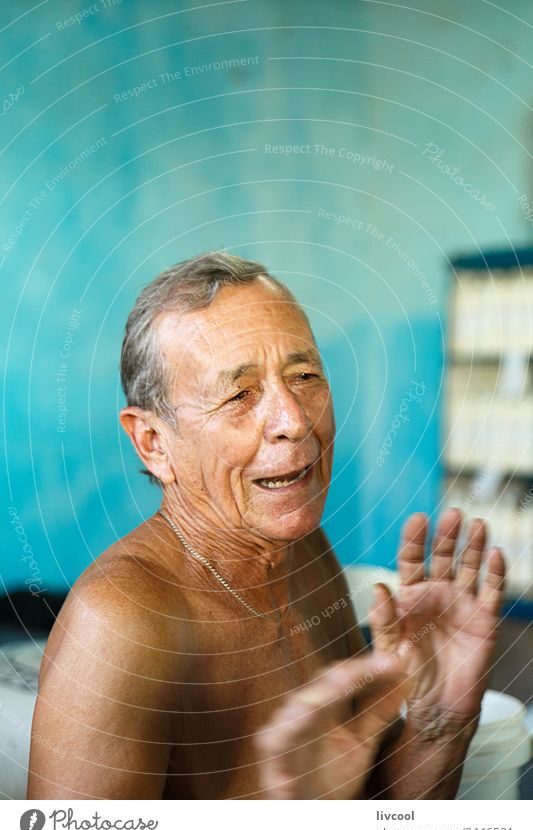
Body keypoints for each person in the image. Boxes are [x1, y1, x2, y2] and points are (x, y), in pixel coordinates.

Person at [27, 252, 505, 800]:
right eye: (239, 394)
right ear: (153, 444)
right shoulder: (121, 623)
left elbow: (373, 807)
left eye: (304, 377)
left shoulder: (303, 548)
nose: (294, 421)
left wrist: (438, 721)